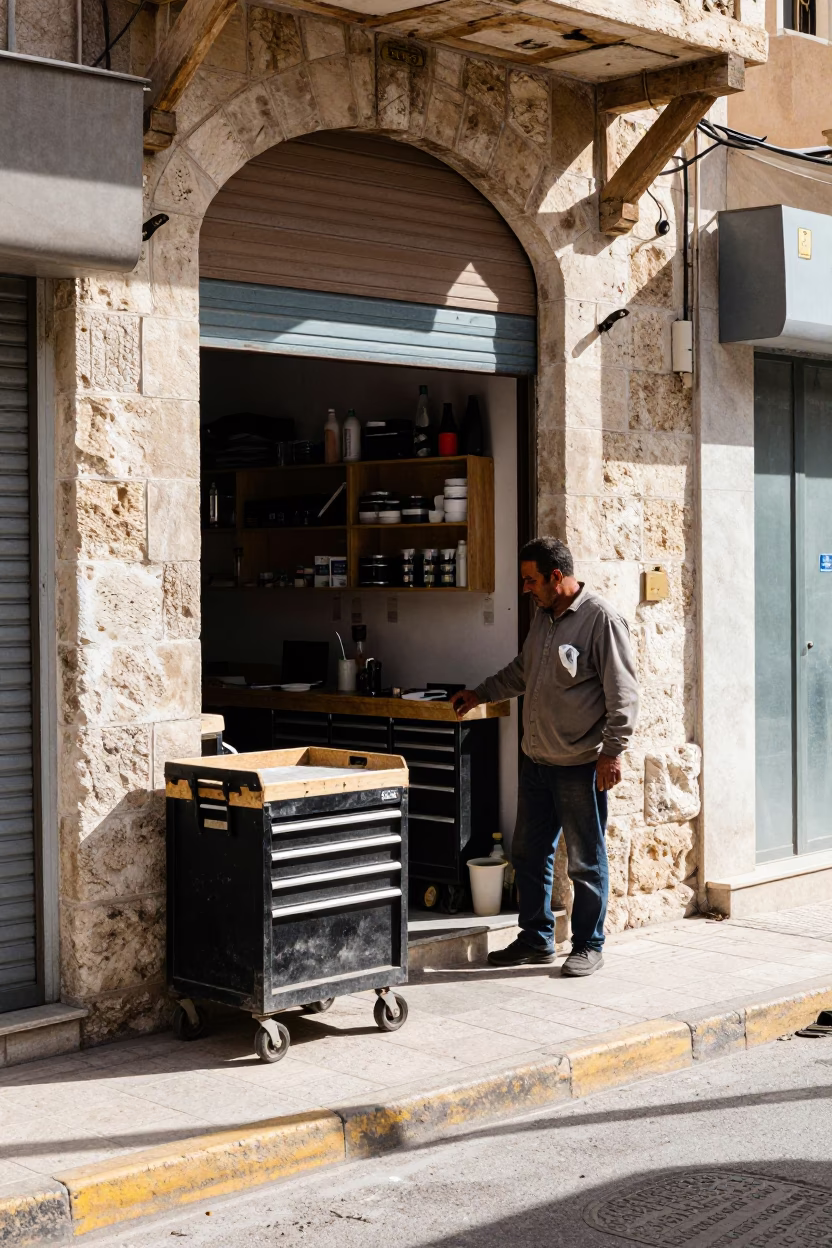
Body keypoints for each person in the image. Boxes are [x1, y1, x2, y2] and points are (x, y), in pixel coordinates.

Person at [451, 537, 639, 977]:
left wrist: (611, 753)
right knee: (530, 855)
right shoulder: (542, 618)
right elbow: (523, 672)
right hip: (535, 763)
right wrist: (480, 693)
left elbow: (624, 695)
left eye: (530, 579)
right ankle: (535, 939)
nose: (525, 588)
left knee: (585, 860)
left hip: (579, 766)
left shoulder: (601, 620)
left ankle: (589, 944)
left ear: (557, 577)